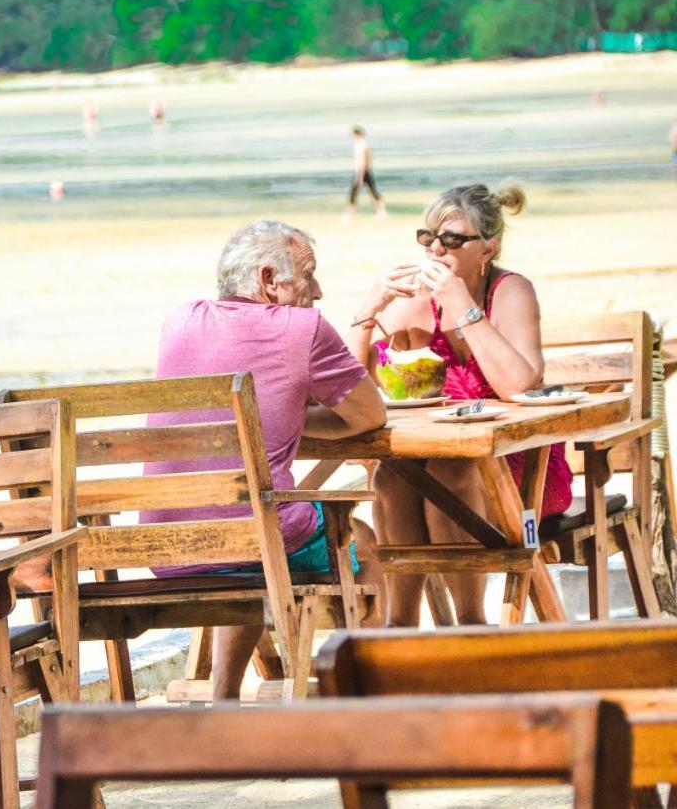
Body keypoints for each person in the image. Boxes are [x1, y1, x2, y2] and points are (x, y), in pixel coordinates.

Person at [140, 220, 387, 700]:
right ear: (269, 279)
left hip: (166, 547)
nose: (318, 291)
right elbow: (370, 415)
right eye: (308, 276)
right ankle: (371, 700)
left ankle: (225, 699)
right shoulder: (304, 328)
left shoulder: (181, 319)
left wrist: (283, 412)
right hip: (256, 542)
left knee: (253, 525)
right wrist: (297, 410)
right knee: (364, 544)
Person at [344, 182, 567, 627]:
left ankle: (469, 625)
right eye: (428, 238)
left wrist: (462, 305)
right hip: (437, 456)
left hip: (519, 463)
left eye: (452, 240)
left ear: (488, 249)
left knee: (450, 472)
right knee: (392, 476)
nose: (436, 250)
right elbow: (350, 390)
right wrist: (369, 310)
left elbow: (520, 384)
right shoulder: (416, 305)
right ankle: (401, 626)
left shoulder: (509, 291)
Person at [345, 125, 388, 220]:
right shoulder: (362, 144)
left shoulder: (362, 145)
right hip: (363, 171)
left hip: (361, 171)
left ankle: (351, 214)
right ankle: (381, 212)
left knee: (355, 193)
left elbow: (364, 161)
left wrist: (360, 176)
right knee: (372, 191)